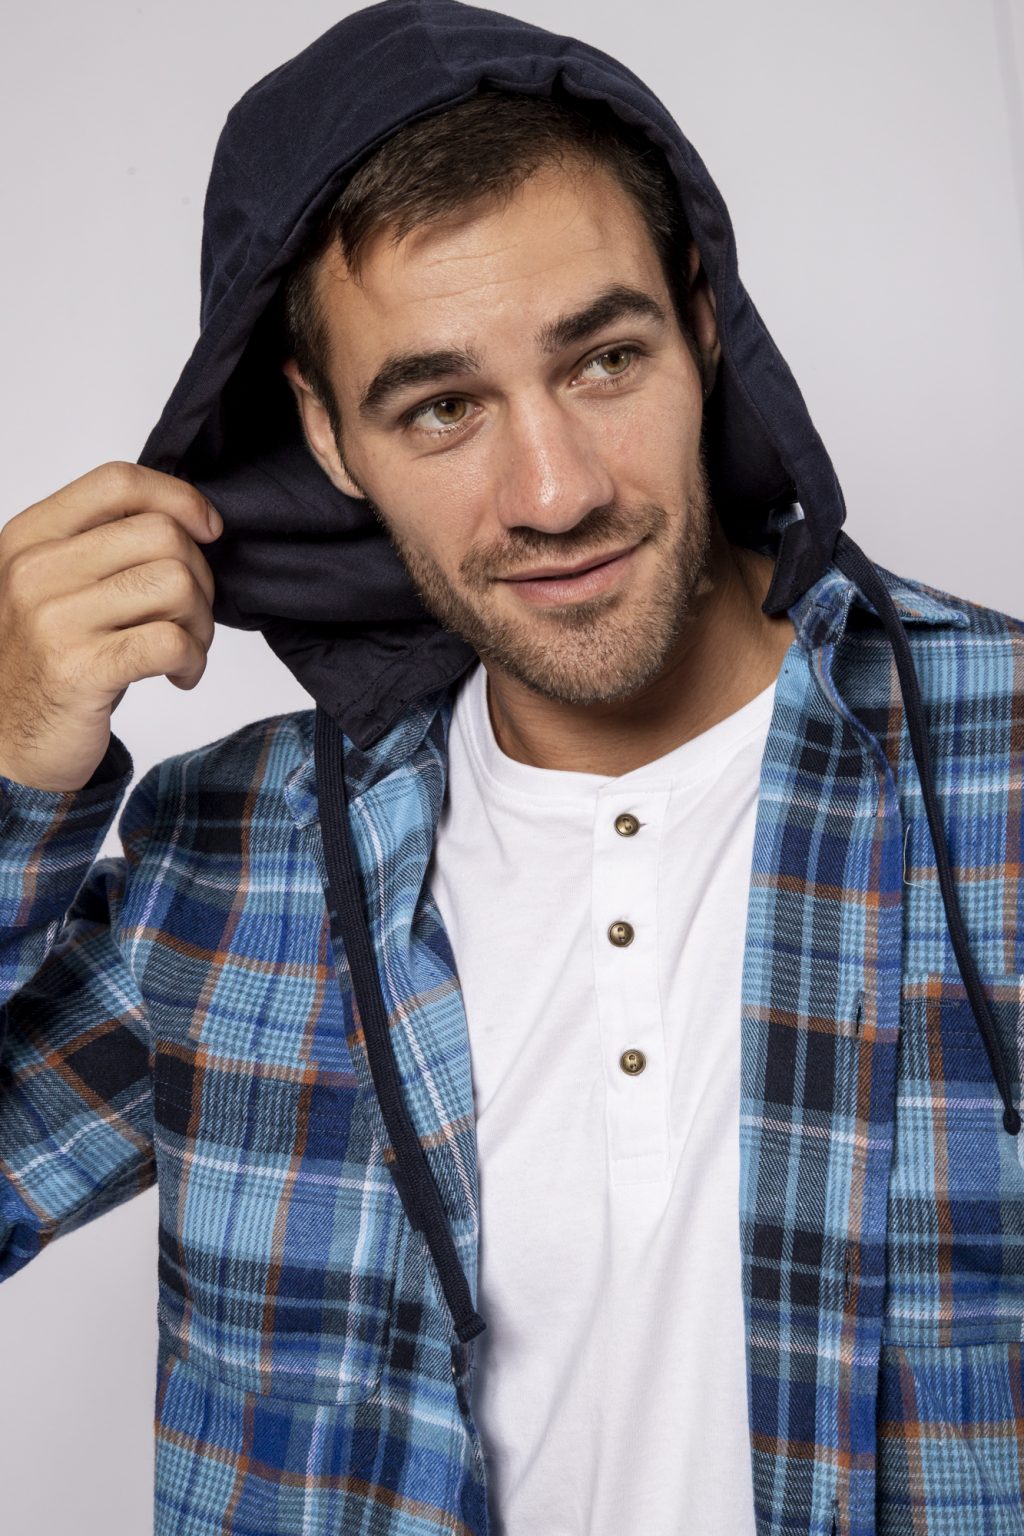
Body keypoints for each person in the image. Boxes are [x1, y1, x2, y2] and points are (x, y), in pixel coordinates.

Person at [0, 1, 1021, 1532]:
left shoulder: (1002, 764)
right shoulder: (231, 858)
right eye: (442, 407)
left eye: (603, 359)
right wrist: (8, 773)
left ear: (702, 320)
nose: (552, 493)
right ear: (326, 434)